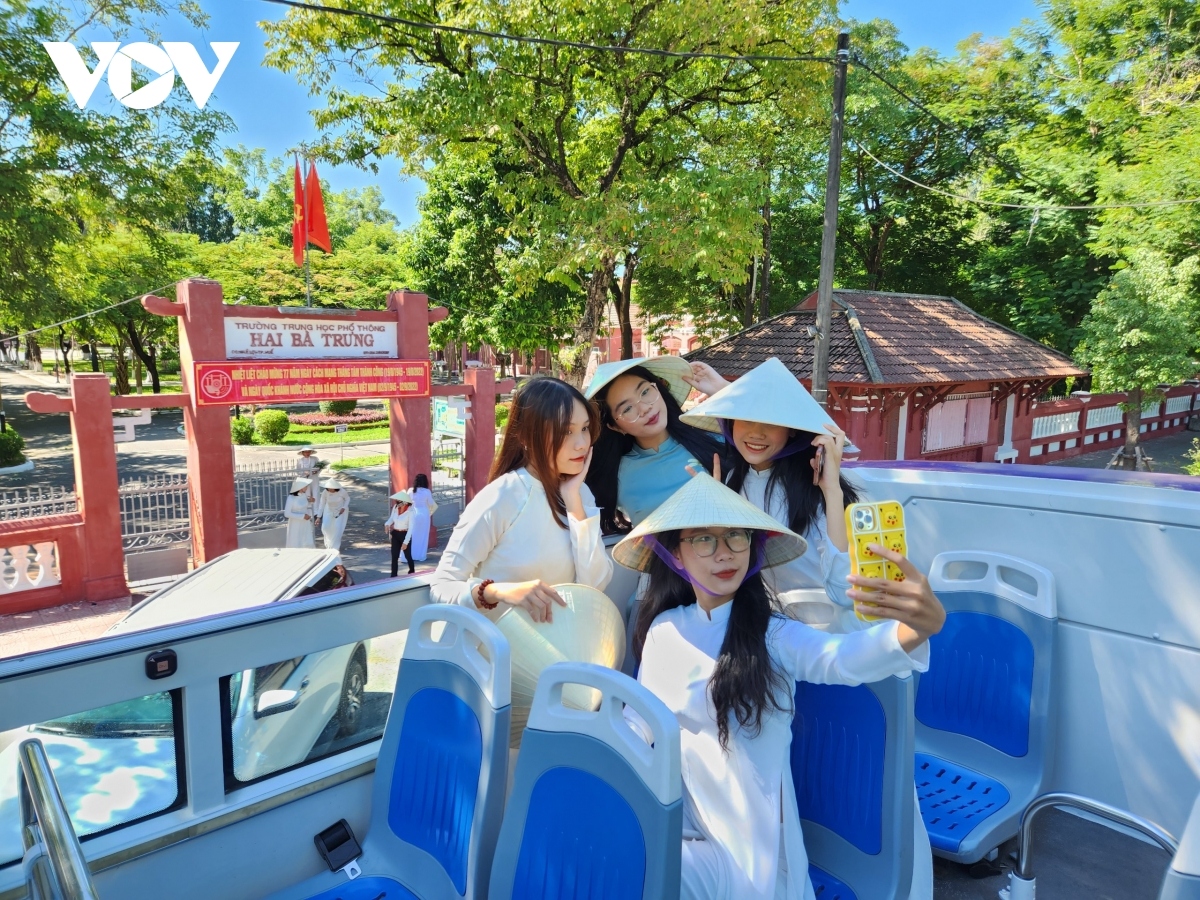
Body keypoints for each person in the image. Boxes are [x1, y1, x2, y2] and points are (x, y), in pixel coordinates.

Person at [613, 473, 945, 900]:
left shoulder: (773, 636)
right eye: (703, 539)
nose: (724, 552)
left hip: (750, 855)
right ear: (675, 554)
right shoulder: (663, 631)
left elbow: (840, 659)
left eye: (736, 535)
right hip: (682, 825)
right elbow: (637, 730)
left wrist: (915, 630)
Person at [681, 357, 861, 628]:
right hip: (763, 624)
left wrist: (832, 491)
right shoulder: (731, 479)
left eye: (771, 423)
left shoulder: (817, 487)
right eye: (745, 420)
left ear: (791, 430)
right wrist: (714, 508)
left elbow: (844, 592)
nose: (757, 433)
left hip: (830, 633)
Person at [427, 376, 612, 622]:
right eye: (566, 431)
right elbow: (442, 585)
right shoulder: (502, 497)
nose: (581, 444)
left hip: (560, 652)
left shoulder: (579, 493)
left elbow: (595, 586)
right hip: (496, 654)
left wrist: (573, 500)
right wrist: (497, 591)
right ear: (526, 436)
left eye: (585, 428)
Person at [583, 356, 730, 534]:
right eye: (627, 409)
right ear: (614, 426)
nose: (645, 408)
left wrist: (725, 390)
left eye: (645, 392)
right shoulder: (615, 476)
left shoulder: (717, 441)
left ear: (659, 388)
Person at [406, 473, 438, 562]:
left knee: (411, 534)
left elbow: (406, 503)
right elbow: (431, 504)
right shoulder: (427, 492)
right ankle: (420, 555)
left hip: (413, 513)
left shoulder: (410, 490)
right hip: (424, 513)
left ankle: (409, 555)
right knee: (423, 535)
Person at [384, 490, 416, 577]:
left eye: (399, 502)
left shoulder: (411, 511)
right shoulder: (395, 508)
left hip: (404, 534)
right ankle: (393, 575)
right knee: (394, 556)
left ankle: (412, 571)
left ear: (405, 502)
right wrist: (387, 524)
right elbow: (391, 519)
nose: (397, 503)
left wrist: (406, 542)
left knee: (408, 555)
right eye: (396, 501)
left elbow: (411, 528)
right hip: (395, 534)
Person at [315, 478, 350, 551]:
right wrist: (318, 517)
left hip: (340, 511)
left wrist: (344, 507)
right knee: (326, 527)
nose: (330, 490)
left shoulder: (342, 491)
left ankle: (335, 547)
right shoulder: (325, 492)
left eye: (332, 488)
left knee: (337, 528)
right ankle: (329, 543)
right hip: (329, 510)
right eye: (328, 488)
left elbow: (347, 499)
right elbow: (322, 504)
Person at [283, 477, 315, 549]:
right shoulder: (291, 498)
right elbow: (287, 513)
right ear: (300, 487)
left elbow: (304, 506)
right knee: (296, 542)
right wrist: (302, 516)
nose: (307, 488)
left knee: (306, 540)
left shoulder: (303, 495)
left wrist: (311, 501)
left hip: (305, 522)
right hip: (295, 523)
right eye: (305, 486)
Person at [296, 446, 322, 512]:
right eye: (306, 452)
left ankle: (316, 511)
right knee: (307, 493)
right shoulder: (300, 461)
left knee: (315, 492)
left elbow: (319, 467)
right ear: (303, 453)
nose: (307, 453)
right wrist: (304, 473)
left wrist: (315, 471)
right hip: (305, 479)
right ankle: (308, 510)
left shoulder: (315, 459)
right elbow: (298, 471)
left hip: (314, 478)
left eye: (309, 452)